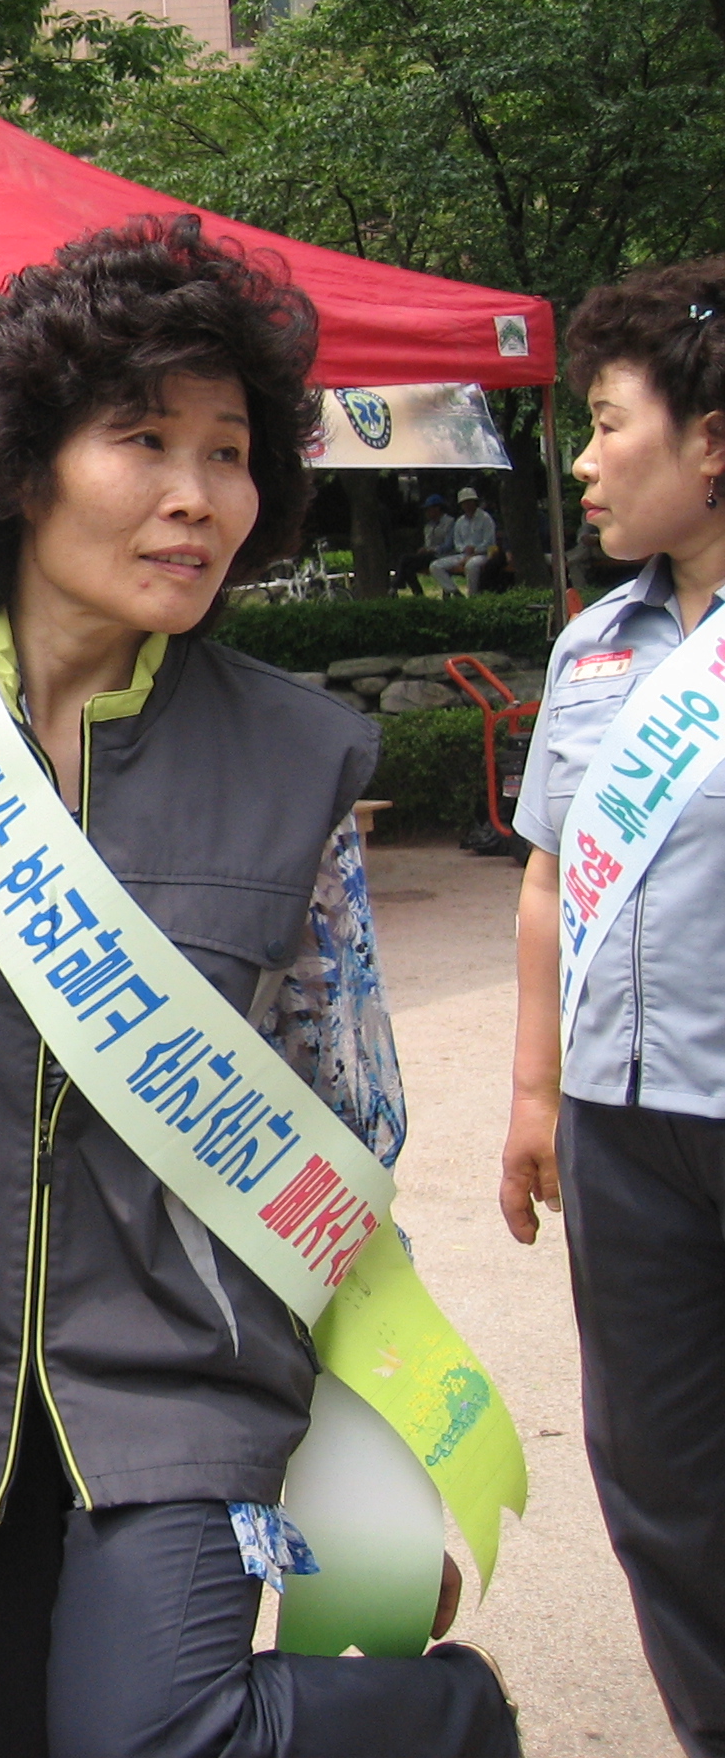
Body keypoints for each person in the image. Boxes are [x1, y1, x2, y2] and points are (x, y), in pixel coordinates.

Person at [0, 215, 518, 1758]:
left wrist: (381, 1445)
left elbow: (348, 1120)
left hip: (184, 1380)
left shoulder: (292, 760)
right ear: (23, 467)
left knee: (154, 1732)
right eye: (145, 441)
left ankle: (444, 1722)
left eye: (230, 453)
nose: (198, 495)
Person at [500, 257, 725, 1758]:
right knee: (658, 1473)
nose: (584, 461)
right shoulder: (594, 647)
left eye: (608, 422)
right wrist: (535, 1093)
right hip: (623, 1130)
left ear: (711, 442)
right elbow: (544, 878)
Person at [433, 486, 502, 595]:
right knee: (435, 566)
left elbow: (489, 542)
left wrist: (475, 550)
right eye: (464, 503)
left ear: (475, 502)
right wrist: (465, 549)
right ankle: (454, 592)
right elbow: (457, 543)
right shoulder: (460, 521)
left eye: (470, 502)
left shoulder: (485, 518)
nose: (467, 505)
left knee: (471, 565)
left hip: (483, 555)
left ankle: (472, 595)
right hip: (464, 554)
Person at [402, 492, 454, 593]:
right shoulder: (428, 526)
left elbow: (448, 545)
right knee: (408, 568)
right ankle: (418, 594)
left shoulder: (449, 522)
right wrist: (424, 549)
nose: (427, 512)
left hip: (443, 556)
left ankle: (396, 584)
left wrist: (431, 550)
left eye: (429, 509)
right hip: (429, 556)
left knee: (405, 559)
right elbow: (428, 543)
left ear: (437, 508)